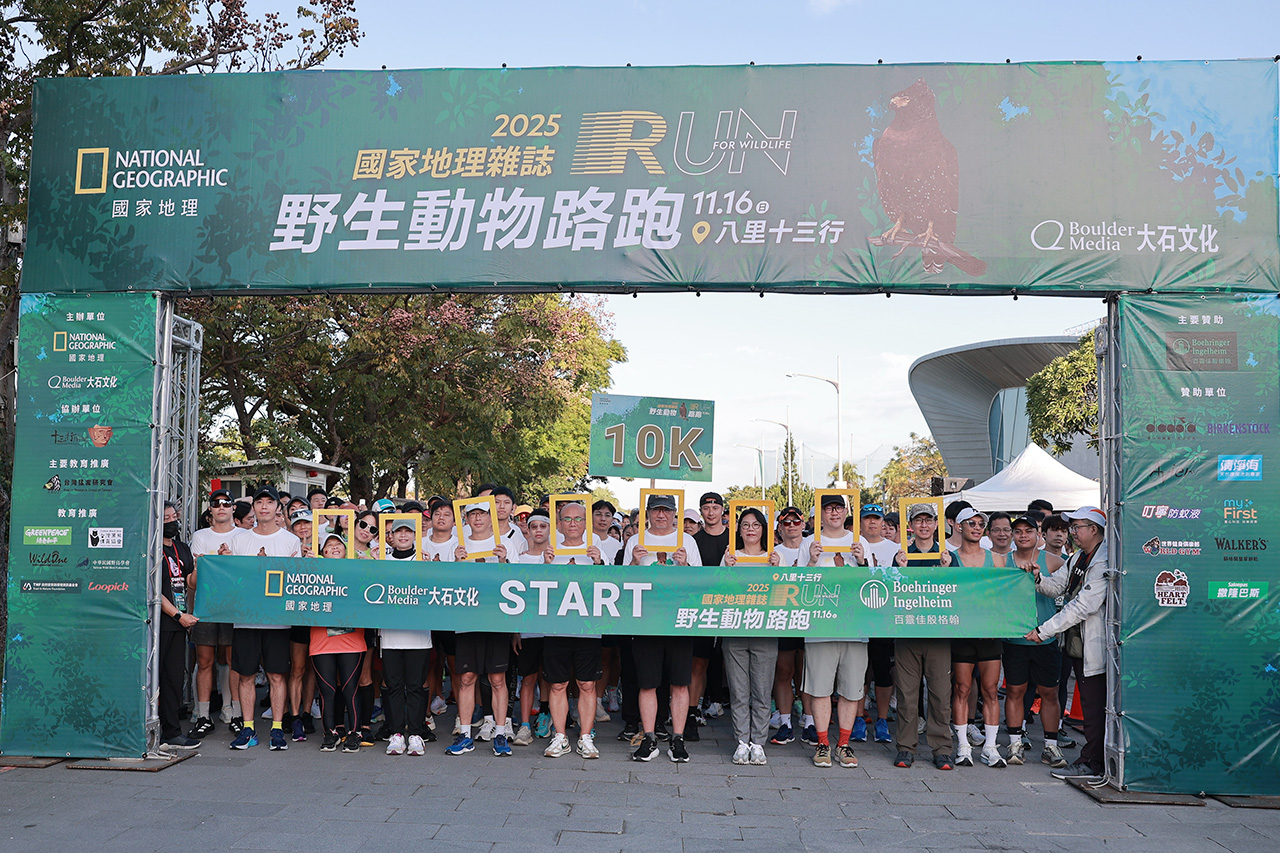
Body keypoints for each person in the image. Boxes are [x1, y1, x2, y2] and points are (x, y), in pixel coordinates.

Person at [1027, 507, 1109, 782]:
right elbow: (1055, 587)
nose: (1072, 533)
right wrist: (1038, 578)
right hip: (1076, 643)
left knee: (1095, 706)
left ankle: (1093, 762)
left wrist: (1044, 631)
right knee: (1089, 702)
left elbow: (1084, 605)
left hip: (1094, 644)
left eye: (1076, 527)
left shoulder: (1103, 560)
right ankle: (1094, 759)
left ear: (1093, 530)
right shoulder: (1078, 557)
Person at [626, 492, 702, 763]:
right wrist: (634, 562)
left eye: (667, 510)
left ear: (674, 513)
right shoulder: (635, 540)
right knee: (647, 683)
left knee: (680, 683)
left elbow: (700, 582)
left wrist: (685, 565)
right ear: (647, 513)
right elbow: (623, 583)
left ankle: (677, 739)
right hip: (646, 620)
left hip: (679, 620)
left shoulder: (687, 541)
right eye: (656, 509)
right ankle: (649, 738)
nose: (661, 515)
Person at [227, 485, 301, 751]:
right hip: (245, 619)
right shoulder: (239, 540)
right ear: (254, 507)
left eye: (270, 502)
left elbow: (295, 580)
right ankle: (248, 729)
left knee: (277, 676)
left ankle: (277, 729)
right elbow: (233, 579)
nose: (264, 507)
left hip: (278, 620)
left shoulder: (290, 541)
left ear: (278, 508)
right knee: (246, 676)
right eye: (260, 502)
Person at [801, 493, 868, 769]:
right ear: (820, 514)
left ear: (846, 512)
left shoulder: (858, 541)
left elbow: (872, 585)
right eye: (828, 508)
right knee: (820, 688)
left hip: (854, 625)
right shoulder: (809, 542)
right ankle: (822, 743)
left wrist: (862, 562)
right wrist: (811, 561)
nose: (834, 513)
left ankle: (843, 743)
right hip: (820, 624)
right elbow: (799, 585)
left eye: (839, 508)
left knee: (851, 689)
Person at [539, 500, 605, 759]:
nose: (573, 523)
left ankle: (586, 737)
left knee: (587, 684)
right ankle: (560, 736)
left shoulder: (596, 552)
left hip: (588, 629)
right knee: (557, 685)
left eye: (578, 519)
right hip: (556, 628)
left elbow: (611, 589)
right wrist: (546, 567)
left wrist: (599, 564)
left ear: (586, 523)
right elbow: (539, 591)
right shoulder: (550, 552)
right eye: (567, 519)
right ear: (559, 524)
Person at [891, 503, 955, 770]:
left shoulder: (949, 557)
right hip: (908, 633)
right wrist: (899, 569)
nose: (924, 525)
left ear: (936, 524)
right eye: (919, 520)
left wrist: (948, 570)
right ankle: (905, 747)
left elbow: (958, 591)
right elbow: (891, 592)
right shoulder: (901, 556)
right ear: (911, 526)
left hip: (938, 634)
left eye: (929, 520)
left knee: (940, 694)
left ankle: (942, 748)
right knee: (907, 695)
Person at [1002, 515, 1068, 768]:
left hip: (1045, 638)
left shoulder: (1053, 561)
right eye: (1018, 531)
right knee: (1015, 691)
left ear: (1038, 534)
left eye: (1028, 531)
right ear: (1012, 535)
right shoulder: (1003, 561)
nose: (1023, 535)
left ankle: (1050, 745)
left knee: (1049, 693)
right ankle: (1015, 742)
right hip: (1014, 639)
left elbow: (1070, 588)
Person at [447, 501, 513, 757]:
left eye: (482, 514)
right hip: (467, 620)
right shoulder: (458, 546)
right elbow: (448, 584)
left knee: (497, 679)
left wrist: (504, 560)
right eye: (472, 514)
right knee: (466, 677)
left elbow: (516, 583)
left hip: (496, 620)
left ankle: (500, 733)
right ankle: (465, 734)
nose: (477, 519)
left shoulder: (504, 545)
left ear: (490, 517)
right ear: (466, 518)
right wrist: (456, 562)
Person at [949, 506, 1007, 768]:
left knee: (990, 690)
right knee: (962, 688)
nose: (976, 527)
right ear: (959, 526)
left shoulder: (996, 559)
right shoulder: (950, 558)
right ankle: (963, 745)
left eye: (980, 524)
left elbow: (1007, 592)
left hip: (989, 632)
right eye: (971, 523)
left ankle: (990, 747)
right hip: (962, 632)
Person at [722, 507, 780, 765]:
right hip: (734, 629)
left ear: (763, 529)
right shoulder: (730, 556)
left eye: (756, 525)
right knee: (738, 691)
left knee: (762, 691)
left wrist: (777, 570)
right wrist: (726, 569)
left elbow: (785, 593)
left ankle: (758, 743)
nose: (750, 529)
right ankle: (741, 742)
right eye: (745, 524)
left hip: (765, 630)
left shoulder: (774, 557)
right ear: (738, 529)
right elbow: (717, 591)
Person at [185, 488, 242, 739]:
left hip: (234, 607)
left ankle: (234, 712)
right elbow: (195, 578)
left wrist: (223, 562)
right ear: (210, 508)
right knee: (204, 661)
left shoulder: (244, 535)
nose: (221, 507)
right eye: (216, 503)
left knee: (233, 661)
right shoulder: (199, 536)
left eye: (226, 503)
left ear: (233, 508)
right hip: (206, 605)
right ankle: (203, 715)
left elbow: (243, 574)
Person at [378, 520, 434, 757]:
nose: (403, 535)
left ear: (415, 535)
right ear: (391, 536)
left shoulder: (423, 561)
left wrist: (431, 569)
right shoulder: (382, 562)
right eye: (398, 531)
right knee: (393, 686)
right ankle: (396, 733)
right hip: (390, 635)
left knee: (415, 687)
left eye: (408, 531)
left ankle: (416, 734)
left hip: (418, 636)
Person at [310, 532, 367, 753]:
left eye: (339, 544)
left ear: (346, 551)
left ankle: (355, 733)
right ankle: (330, 733)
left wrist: (369, 565)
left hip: (352, 641)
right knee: (327, 690)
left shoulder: (357, 570)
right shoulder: (312, 572)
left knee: (350, 689)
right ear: (323, 552)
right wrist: (305, 566)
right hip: (321, 641)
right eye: (329, 545)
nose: (334, 547)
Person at [857, 503, 901, 746]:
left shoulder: (895, 548)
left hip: (884, 618)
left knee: (883, 671)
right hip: (858, 617)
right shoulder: (852, 544)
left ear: (883, 522)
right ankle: (858, 717)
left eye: (876, 518)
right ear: (860, 522)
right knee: (859, 671)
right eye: (867, 518)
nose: (872, 523)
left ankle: (882, 719)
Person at [159, 501, 200, 749]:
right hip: (157, 623)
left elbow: (189, 583)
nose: (171, 521)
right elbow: (153, 590)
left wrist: (202, 565)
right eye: (165, 518)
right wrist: (177, 615)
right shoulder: (150, 549)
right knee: (153, 679)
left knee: (174, 679)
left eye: (174, 516)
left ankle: (172, 732)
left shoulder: (182, 548)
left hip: (178, 624)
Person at [688, 491, 730, 737]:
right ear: (701, 511)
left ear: (722, 510)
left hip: (734, 605)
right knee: (699, 662)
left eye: (715, 508)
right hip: (703, 607)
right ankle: (692, 711)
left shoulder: (735, 538)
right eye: (706, 508)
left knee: (732, 661)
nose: (711, 512)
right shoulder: (694, 540)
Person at [770, 505, 810, 747]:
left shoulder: (814, 548)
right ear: (779, 527)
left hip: (810, 616)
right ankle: (785, 722)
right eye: (787, 522)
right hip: (783, 616)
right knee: (784, 671)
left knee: (807, 672)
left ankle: (811, 721)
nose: (792, 526)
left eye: (796, 522)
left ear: (803, 525)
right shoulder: (773, 553)